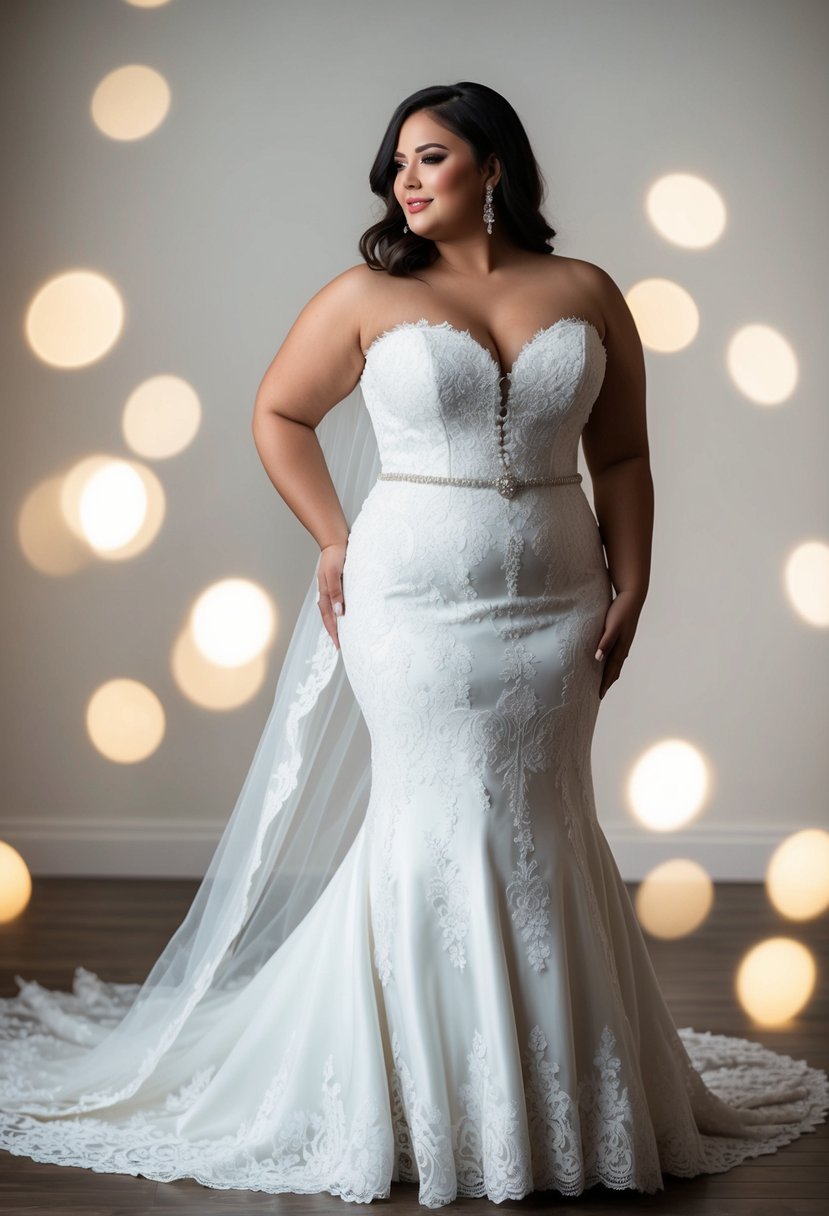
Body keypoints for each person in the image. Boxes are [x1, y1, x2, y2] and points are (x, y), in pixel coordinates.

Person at [0, 80, 826, 1209]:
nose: (405, 179)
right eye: (396, 164)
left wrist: (635, 578)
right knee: (435, 818)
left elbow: (622, 457)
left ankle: (562, 1097)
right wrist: (336, 539)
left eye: (430, 157)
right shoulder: (363, 295)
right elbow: (276, 415)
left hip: (557, 604)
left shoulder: (586, 291)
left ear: (494, 165)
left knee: (544, 820)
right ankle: (422, 1096)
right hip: (409, 603)